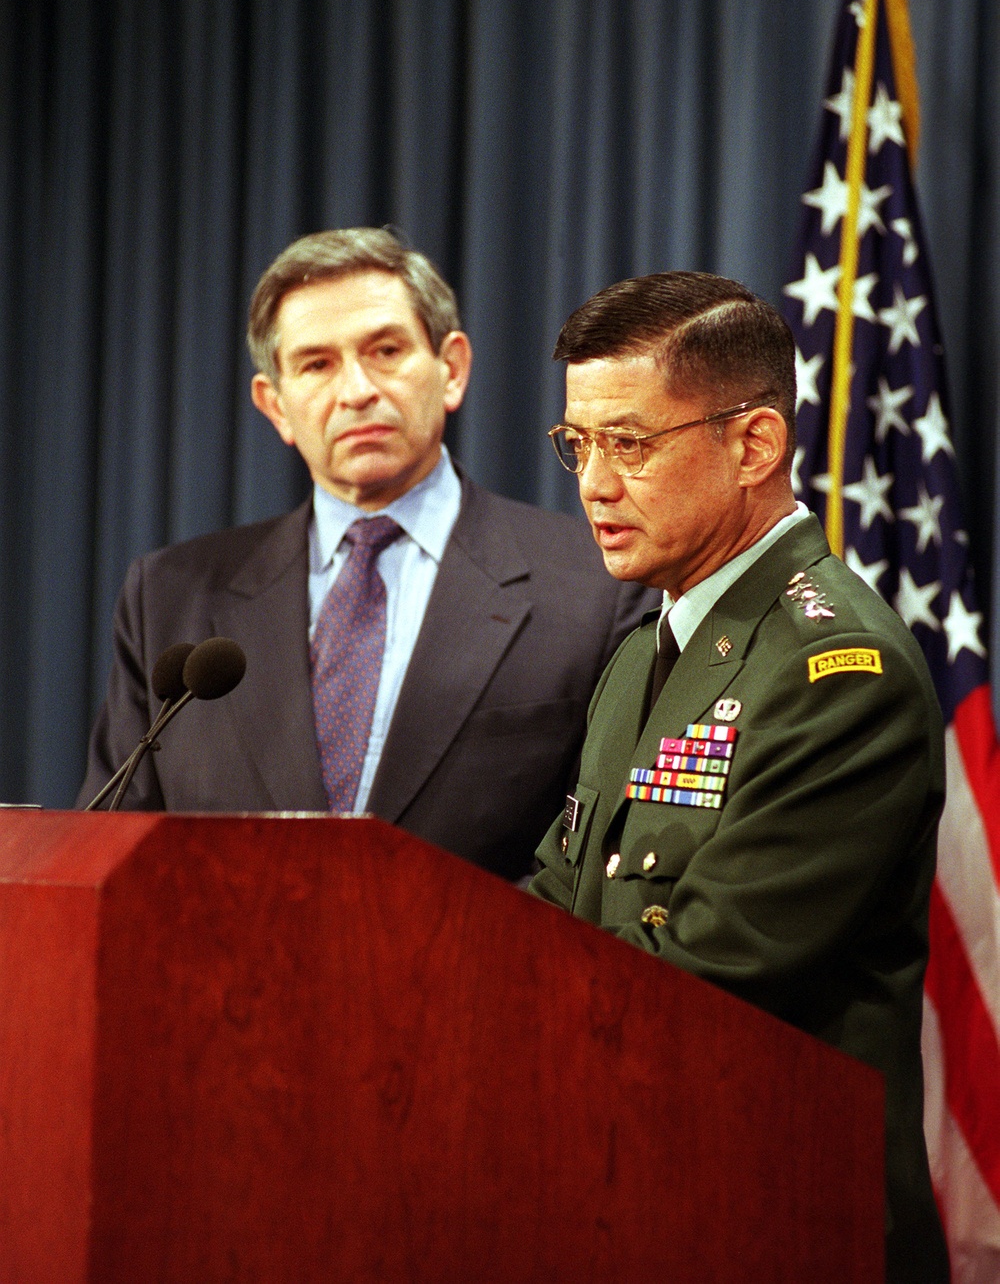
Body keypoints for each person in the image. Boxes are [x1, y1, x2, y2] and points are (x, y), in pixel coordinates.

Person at [531, 271, 948, 1283]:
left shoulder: (832, 668)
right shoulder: (646, 646)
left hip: (783, 1217)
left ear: (754, 444)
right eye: (578, 445)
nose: (591, 482)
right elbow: (556, 899)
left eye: (628, 443)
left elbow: (709, 976)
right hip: (639, 1199)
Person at [79, 229, 654, 880]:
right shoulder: (170, 595)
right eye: (316, 364)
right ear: (276, 405)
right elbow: (117, 855)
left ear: (452, 369)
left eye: (385, 350)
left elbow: (603, 870)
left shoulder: (597, 586)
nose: (356, 390)